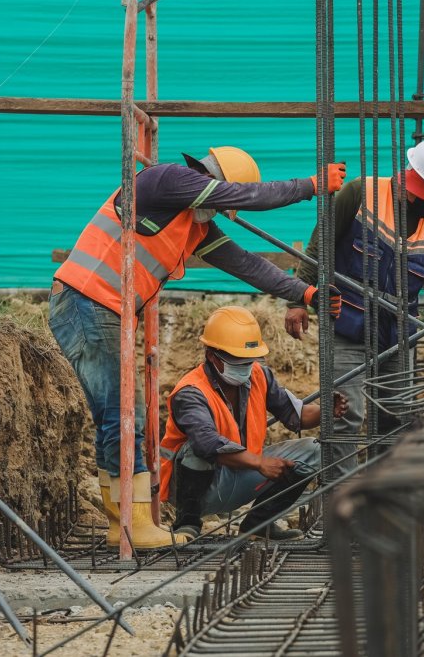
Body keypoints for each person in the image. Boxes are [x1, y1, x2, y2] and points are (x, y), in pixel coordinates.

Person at [49, 147, 345, 549]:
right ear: (218, 183)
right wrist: (310, 186)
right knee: (122, 416)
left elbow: (248, 265)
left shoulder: (193, 226)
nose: (226, 211)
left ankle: (124, 521)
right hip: (87, 302)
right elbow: (246, 198)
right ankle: (133, 523)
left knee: (119, 416)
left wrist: (305, 292)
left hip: (103, 310)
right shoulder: (168, 180)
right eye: (224, 201)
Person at [285, 139, 424, 469]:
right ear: (411, 181)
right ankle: (343, 505)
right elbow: (318, 246)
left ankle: (380, 503)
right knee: (344, 416)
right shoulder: (360, 193)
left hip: (399, 336)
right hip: (346, 324)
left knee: (396, 420)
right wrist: (298, 300)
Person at [160, 306, 348, 542]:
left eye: (248, 360)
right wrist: (259, 462)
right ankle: (187, 523)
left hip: (240, 472)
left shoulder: (259, 375)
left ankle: (259, 525)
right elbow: (206, 443)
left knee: (313, 451)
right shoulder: (190, 392)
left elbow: (294, 415)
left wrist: (326, 412)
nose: (245, 366)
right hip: (197, 488)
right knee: (194, 450)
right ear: (212, 356)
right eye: (236, 359)